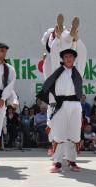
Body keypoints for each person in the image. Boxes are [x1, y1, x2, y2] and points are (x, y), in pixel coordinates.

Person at [36, 14, 87, 172]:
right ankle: (58, 162)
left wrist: (77, 40)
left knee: (73, 134)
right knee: (59, 134)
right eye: (66, 57)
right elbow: (54, 53)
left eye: (71, 56)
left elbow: (83, 54)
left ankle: (72, 161)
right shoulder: (56, 71)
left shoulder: (78, 70)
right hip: (60, 104)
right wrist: (57, 37)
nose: (69, 59)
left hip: (75, 105)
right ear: (63, 59)